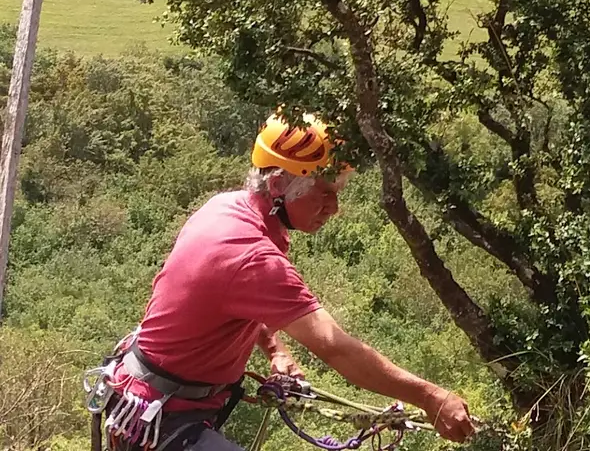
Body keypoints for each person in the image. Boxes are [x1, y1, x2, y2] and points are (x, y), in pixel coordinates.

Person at [93, 114, 475, 450]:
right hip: (162, 419)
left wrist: (274, 348)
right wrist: (431, 397)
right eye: (323, 193)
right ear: (278, 185)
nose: (335, 208)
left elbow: (231, 301)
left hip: (155, 399)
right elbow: (335, 347)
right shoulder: (253, 256)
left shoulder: (230, 208)